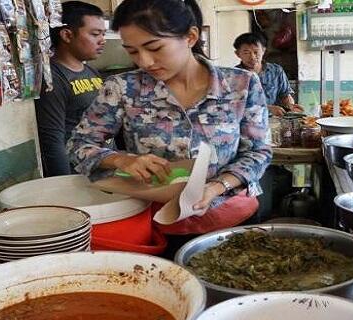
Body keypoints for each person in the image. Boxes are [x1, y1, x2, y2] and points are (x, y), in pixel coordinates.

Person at [67, 0, 271, 239]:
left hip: (233, 219)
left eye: (154, 47)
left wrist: (217, 187)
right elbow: (79, 144)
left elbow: (258, 152)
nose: (144, 61)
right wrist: (120, 160)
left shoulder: (241, 84)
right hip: (159, 222)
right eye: (132, 51)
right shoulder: (123, 88)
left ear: (190, 37)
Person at [34, 1, 106, 177]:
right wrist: (64, 185)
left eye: (103, 34)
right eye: (95, 34)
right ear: (67, 35)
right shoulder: (52, 79)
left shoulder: (91, 72)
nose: (102, 40)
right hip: (76, 174)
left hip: (102, 168)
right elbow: (52, 140)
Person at [234, 32, 302, 117]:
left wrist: (290, 106)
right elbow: (234, 106)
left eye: (256, 52)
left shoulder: (276, 71)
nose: (252, 57)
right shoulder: (233, 75)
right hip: (247, 123)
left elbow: (285, 94)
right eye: (246, 53)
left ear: (263, 51)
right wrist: (267, 109)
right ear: (237, 54)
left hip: (275, 122)